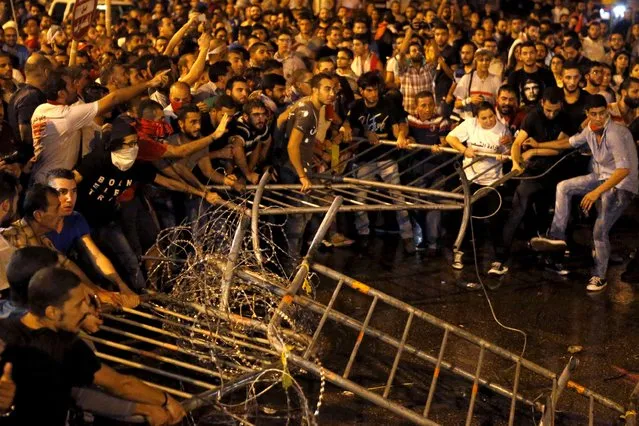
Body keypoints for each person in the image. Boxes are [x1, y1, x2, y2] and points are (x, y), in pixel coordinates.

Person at [0, 266, 186, 425]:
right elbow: (121, 384)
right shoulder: (65, 347)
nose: (87, 309)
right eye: (78, 304)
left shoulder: (7, 327)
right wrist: (166, 401)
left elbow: (79, 393)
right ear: (53, 312)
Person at [529, 95, 638, 292]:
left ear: (608, 111)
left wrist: (595, 192)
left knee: (599, 229)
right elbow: (568, 143)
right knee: (563, 186)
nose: (599, 118)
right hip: (602, 177)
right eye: (594, 114)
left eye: (602, 113)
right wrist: (537, 146)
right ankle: (556, 236)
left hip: (622, 185)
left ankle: (599, 276)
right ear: (587, 114)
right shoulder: (589, 130)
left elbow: (624, 170)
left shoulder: (614, 133)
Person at [30, 68, 170, 184]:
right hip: (52, 184)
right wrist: (149, 83)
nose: (77, 87)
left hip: (40, 178)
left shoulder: (40, 109)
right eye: (72, 86)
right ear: (61, 93)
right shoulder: (66, 116)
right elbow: (114, 98)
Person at [491, 87, 571, 276]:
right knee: (518, 209)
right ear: (542, 103)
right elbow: (517, 143)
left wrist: (534, 150)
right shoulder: (532, 116)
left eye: (555, 110)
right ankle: (500, 259)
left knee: (554, 216)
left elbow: (558, 148)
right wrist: (516, 163)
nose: (551, 115)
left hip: (556, 173)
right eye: (548, 110)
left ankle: (553, 259)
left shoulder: (565, 118)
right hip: (534, 173)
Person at [346, 71, 415, 253]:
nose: (373, 94)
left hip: (386, 157)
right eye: (369, 90)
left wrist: (401, 135)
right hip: (364, 158)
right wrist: (364, 133)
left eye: (375, 90)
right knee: (360, 199)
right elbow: (349, 130)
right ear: (361, 91)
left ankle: (407, 236)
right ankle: (363, 234)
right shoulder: (356, 107)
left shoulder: (388, 104)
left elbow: (401, 122)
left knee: (397, 196)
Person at [45, 169, 138, 297]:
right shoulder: (40, 224)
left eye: (74, 191)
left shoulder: (76, 218)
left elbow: (96, 255)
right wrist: (97, 292)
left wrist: (121, 285)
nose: (70, 198)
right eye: (62, 192)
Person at [443, 101, 511, 270]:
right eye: (484, 118)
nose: (488, 121)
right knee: (465, 216)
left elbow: (509, 151)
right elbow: (450, 137)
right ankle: (460, 253)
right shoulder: (470, 124)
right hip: (471, 178)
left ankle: (499, 259)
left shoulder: (502, 129)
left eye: (491, 117)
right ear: (477, 118)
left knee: (495, 219)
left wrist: (506, 151)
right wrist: (464, 150)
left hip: (492, 181)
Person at [275, 72, 336, 261]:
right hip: (293, 170)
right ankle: (291, 265)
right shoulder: (308, 111)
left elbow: (282, 119)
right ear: (315, 90)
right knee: (297, 219)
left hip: (298, 165)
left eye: (333, 89)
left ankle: (294, 260)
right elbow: (292, 145)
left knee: (303, 215)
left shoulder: (307, 104)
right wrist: (302, 175)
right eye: (327, 89)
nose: (332, 93)